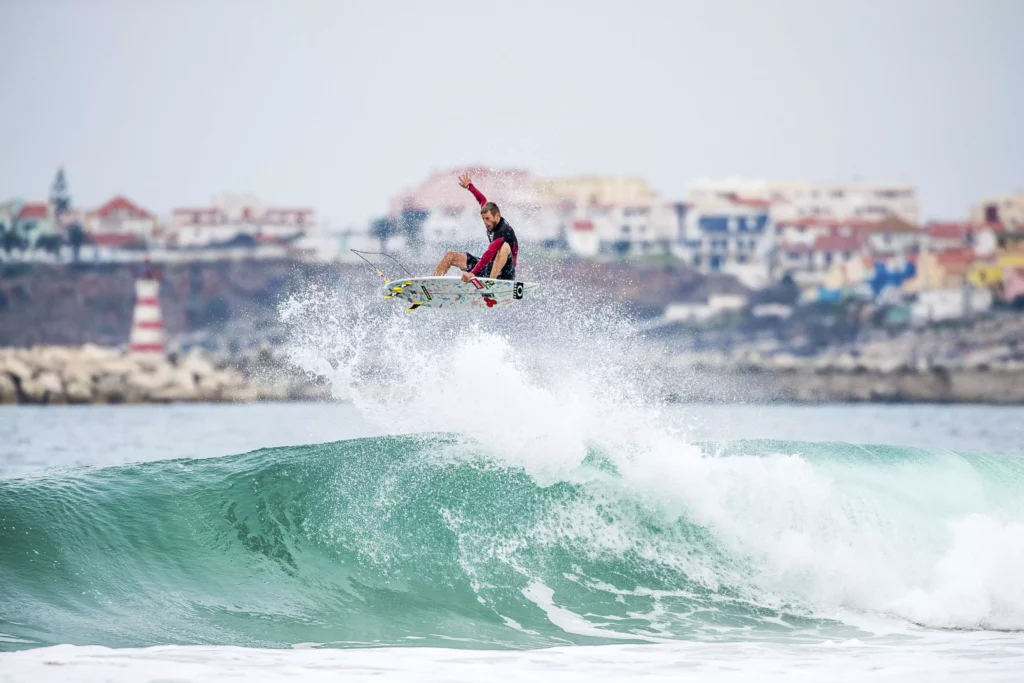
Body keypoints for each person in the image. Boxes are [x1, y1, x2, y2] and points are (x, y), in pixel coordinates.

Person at [432, 173, 519, 282]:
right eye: (483, 219)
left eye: (487, 219)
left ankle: (491, 283)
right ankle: (432, 284)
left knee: (504, 247)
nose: (485, 222)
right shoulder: (490, 216)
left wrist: (472, 273)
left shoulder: (504, 230)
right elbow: (482, 200)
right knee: (450, 256)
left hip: (505, 273)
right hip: (490, 266)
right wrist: (470, 186)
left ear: (497, 216)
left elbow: (489, 253)